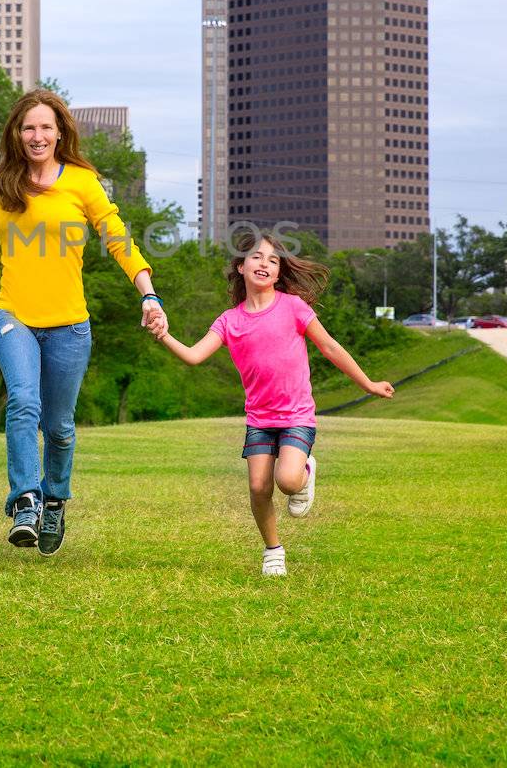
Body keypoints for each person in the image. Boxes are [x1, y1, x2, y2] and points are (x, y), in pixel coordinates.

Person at [0, 89, 167, 556]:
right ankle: (25, 499)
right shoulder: (0, 181)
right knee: (23, 402)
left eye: (45, 127)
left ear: (60, 131)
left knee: (59, 426)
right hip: (13, 314)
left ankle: (55, 498)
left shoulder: (82, 182)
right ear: (16, 135)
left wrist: (149, 295)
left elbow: (119, 239)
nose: (37, 135)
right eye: (28, 128)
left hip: (69, 325)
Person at [154, 233, 394, 576]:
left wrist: (368, 384)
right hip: (259, 420)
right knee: (257, 487)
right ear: (241, 266)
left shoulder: (293, 306)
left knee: (287, 481)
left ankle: (305, 470)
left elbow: (331, 348)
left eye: (273, 260)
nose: (264, 263)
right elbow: (194, 356)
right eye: (256, 257)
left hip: (297, 415)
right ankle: (273, 551)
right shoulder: (229, 320)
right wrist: (163, 334)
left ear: (279, 273)